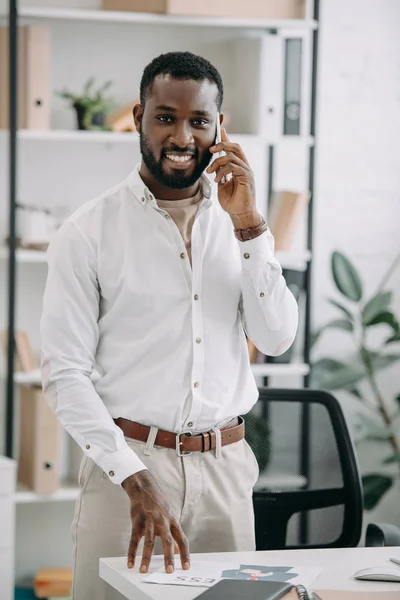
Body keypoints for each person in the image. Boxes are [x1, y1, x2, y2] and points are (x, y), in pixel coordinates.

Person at [40, 51, 298, 600]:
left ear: (219, 128)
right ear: (138, 117)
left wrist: (251, 226)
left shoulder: (242, 224)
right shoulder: (87, 231)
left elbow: (276, 338)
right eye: (166, 117)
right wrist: (134, 478)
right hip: (129, 469)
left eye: (199, 121)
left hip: (226, 468)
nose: (182, 136)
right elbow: (64, 373)